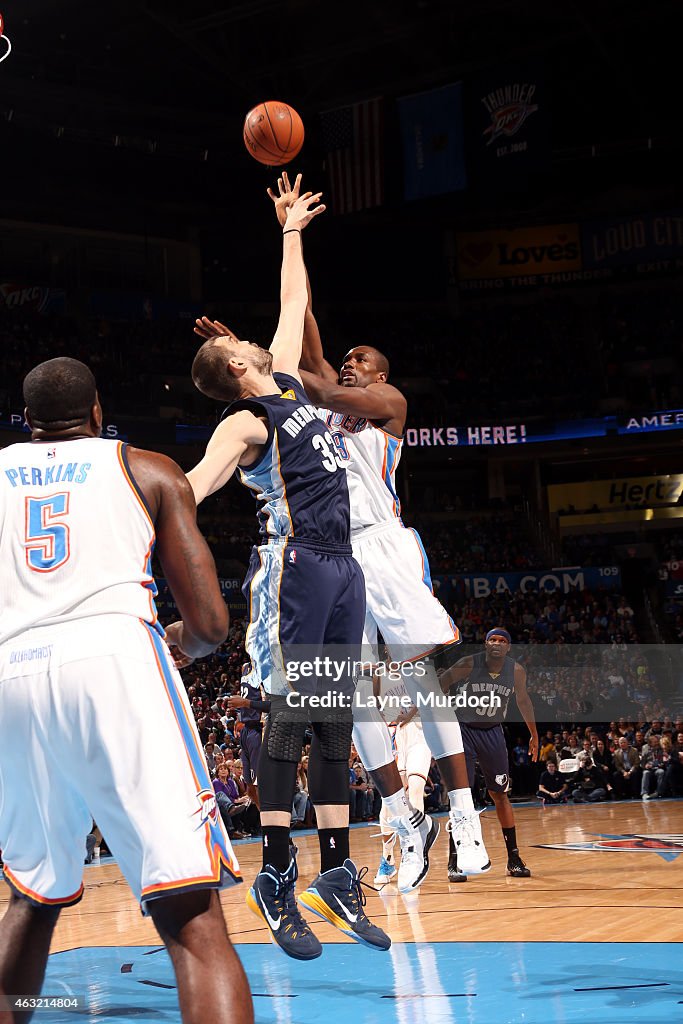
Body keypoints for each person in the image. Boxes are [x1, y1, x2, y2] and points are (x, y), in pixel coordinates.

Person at [195, 171, 491, 894]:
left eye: (362, 360)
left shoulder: (384, 401)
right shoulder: (297, 403)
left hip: (382, 545)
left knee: (427, 681)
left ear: (380, 375)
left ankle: (463, 816)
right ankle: (400, 817)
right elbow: (302, 341)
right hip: (326, 554)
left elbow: (314, 370)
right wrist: (258, 349)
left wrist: (262, 351)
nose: (350, 364)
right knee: (347, 697)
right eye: (347, 357)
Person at [0, 357, 252, 1024]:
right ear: (97, 412)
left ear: (27, 423)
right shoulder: (147, 469)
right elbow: (208, 625)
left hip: (11, 676)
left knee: (32, 897)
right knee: (192, 918)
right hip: (114, 660)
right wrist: (179, 642)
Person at [188, 189, 389, 960]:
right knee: (290, 718)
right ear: (237, 363)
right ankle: (275, 872)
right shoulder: (243, 419)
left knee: (334, 721)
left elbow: (293, 295)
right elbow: (195, 486)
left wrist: (290, 230)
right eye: (248, 346)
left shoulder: (289, 388)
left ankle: (335, 871)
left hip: (344, 566)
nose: (263, 342)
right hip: (295, 565)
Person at [440, 628, 539, 879]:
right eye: (492, 640)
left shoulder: (515, 671)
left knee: (500, 794)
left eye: (502, 640)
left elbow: (524, 701)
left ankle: (514, 858)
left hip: (492, 732)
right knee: (460, 796)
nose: (496, 643)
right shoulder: (468, 663)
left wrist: (534, 735)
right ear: (485, 644)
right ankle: (456, 861)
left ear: (508, 647)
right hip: (463, 730)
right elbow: (441, 684)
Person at [226, 661, 271, 809]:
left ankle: (272, 825)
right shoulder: (245, 667)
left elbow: (272, 705)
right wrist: (240, 718)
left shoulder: (268, 668)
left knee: (260, 786)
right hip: (246, 731)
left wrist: (245, 703)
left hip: (259, 730)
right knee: (250, 790)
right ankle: (266, 822)